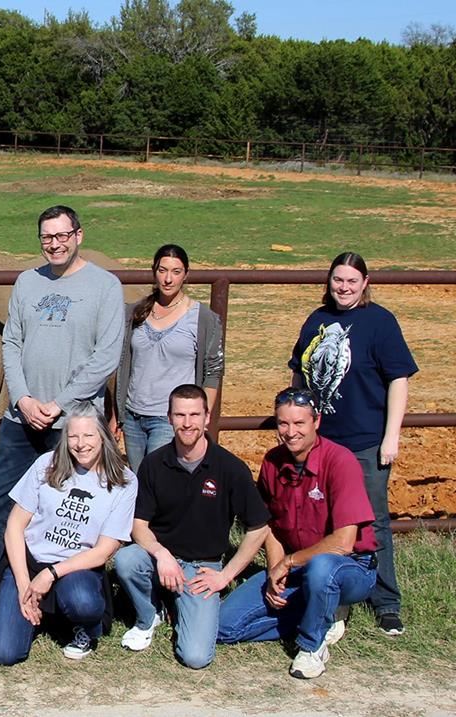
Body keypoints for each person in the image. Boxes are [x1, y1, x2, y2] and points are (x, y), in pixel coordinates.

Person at [0, 205, 124, 604]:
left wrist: (60, 403)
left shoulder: (104, 286)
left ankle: (64, 587)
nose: (55, 244)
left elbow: (107, 355)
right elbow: (11, 342)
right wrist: (22, 398)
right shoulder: (27, 283)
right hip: (22, 417)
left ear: (78, 236)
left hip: (75, 422)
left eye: (62, 235)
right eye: (47, 237)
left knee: (71, 509)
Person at [290, 251, 417, 636]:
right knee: (324, 520)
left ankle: (386, 602)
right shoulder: (317, 320)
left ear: (364, 283)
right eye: (337, 280)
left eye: (351, 281)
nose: (343, 288)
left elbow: (398, 378)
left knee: (371, 520)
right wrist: (299, 425)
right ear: (328, 282)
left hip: (364, 442)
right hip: (323, 443)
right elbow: (300, 374)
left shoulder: (380, 322)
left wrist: (390, 436)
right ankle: (331, 597)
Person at [217, 388, 379, 679]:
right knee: (223, 627)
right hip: (297, 566)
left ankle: (311, 645)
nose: (290, 432)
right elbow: (270, 525)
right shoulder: (272, 462)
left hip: (349, 567)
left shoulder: (340, 462)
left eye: (299, 423)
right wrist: (274, 573)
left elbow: (343, 543)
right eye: (283, 424)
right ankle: (319, 612)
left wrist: (288, 563)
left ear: (316, 422)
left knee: (322, 567)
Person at [114, 384, 270, 669]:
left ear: (207, 417)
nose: (187, 423)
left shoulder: (229, 468)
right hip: (162, 558)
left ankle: (181, 604)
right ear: (169, 417)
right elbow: (139, 525)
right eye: (180, 415)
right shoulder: (154, 464)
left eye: (194, 415)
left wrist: (225, 577)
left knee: (195, 657)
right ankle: (150, 615)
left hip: (203, 569)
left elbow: (259, 527)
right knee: (126, 559)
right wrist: (162, 555)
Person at [0, 406, 138, 664]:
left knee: (83, 602)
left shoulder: (124, 482)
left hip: (76, 568)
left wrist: (50, 574)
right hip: (31, 563)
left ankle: (84, 626)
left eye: (89, 436)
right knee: (5, 653)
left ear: (103, 436)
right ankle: (41, 614)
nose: (80, 444)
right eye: (73, 436)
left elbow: (102, 551)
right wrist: (24, 585)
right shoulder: (46, 464)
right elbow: (14, 526)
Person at [114, 244, 224, 472]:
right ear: (154, 271)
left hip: (170, 418)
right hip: (134, 415)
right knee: (139, 480)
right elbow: (124, 363)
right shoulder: (135, 312)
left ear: (186, 275)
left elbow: (213, 370)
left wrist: (200, 415)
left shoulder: (202, 318)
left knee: (160, 478)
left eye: (176, 272)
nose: (168, 279)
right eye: (162, 270)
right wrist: (118, 413)